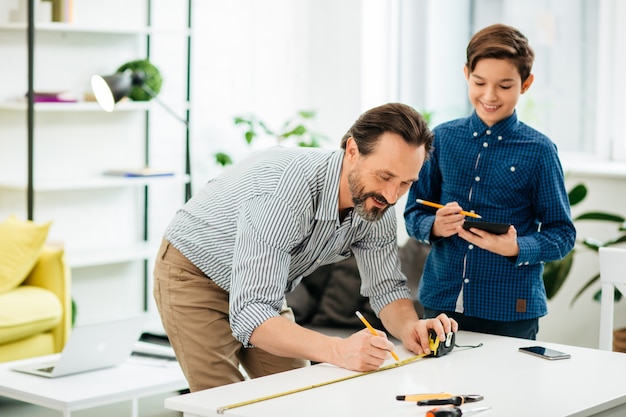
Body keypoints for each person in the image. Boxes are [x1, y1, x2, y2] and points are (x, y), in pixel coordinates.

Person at [154, 103, 458, 391]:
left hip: (261, 289)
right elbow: (251, 312)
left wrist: (411, 329)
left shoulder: (376, 205)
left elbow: (386, 289)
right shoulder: (286, 193)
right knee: (225, 401)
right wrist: (338, 350)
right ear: (353, 151)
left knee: (300, 396)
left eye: (405, 183)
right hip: (195, 274)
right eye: (385, 176)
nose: (392, 195)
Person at [404, 24, 576, 340]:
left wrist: (516, 246)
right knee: (439, 389)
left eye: (505, 85)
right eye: (479, 82)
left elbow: (562, 234)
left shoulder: (539, 150)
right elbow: (414, 213)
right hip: (441, 302)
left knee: (508, 390)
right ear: (466, 73)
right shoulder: (441, 139)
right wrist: (435, 226)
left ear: (526, 84)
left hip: (511, 308)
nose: (489, 96)